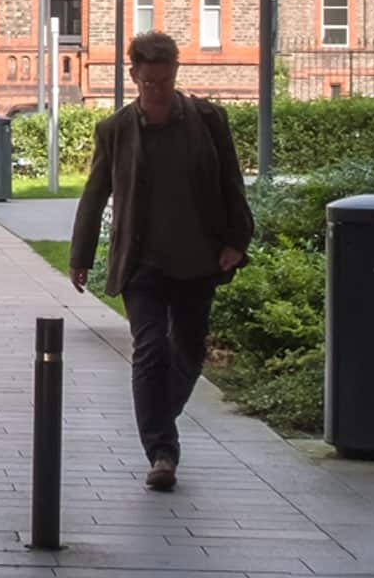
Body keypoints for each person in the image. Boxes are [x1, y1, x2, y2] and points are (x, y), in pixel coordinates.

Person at [68, 30, 252, 493]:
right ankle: (162, 453)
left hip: (198, 257)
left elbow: (232, 183)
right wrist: (80, 257)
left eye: (165, 81)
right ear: (134, 76)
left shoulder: (209, 120)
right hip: (142, 262)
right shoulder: (116, 130)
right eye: (149, 83)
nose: (157, 91)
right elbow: (95, 196)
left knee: (188, 353)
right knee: (149, 349)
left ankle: (154, 413)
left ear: (174, 74)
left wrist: (236, 241)